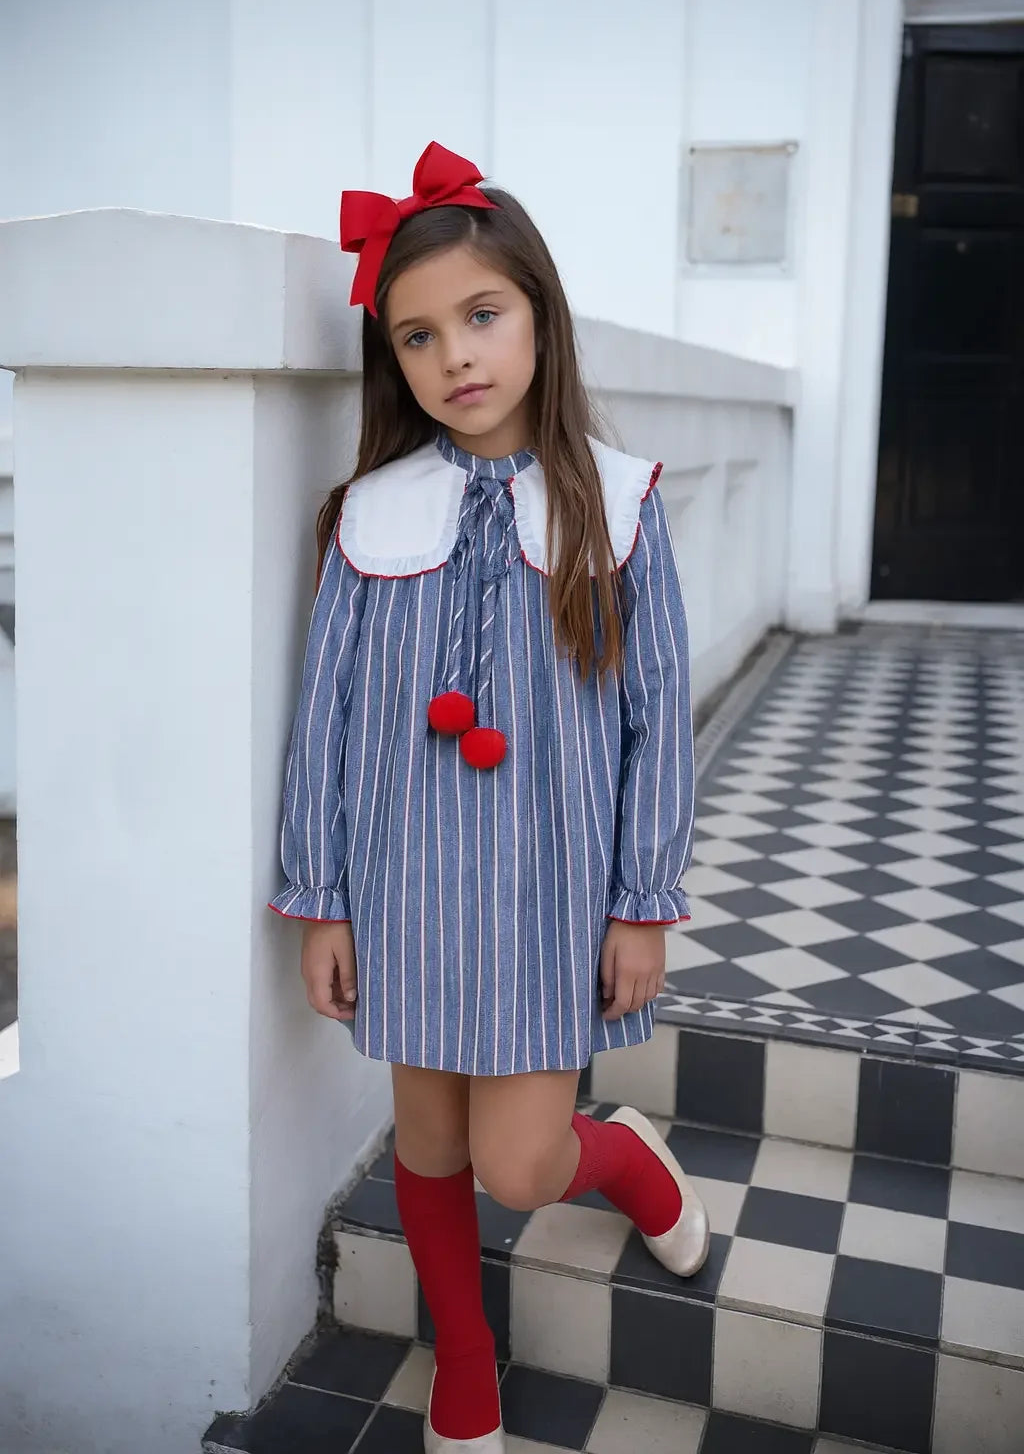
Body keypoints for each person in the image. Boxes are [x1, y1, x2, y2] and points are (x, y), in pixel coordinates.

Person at [269, 141, 708, 1454]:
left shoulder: (616, 509)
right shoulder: (369, 519)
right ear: (391, 360)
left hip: (546, 895)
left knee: (520, 1162)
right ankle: (467, 1356)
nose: (454, 356)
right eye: (416, 336)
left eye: (481, 315)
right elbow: (326, 724)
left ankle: (621, 1159)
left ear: (539, 317)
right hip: (407, 891)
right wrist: (321, 900)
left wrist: (643, 903)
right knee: (430, 1141)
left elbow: (657, 722)